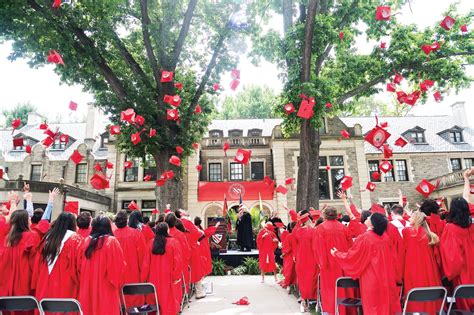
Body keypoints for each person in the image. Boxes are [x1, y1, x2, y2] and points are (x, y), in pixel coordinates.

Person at [332, 213, 401, 314]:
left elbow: (353, 257)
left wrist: (337, 254)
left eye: (369, 218)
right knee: (386, 305)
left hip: (372, 278)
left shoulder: (365, 238)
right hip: (386, 277)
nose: (367, 218)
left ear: (372, 224)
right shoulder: (385, 238)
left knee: (373, 307)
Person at [0, 191, 41, 306]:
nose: (30, 220)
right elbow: (35, 261)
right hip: (24, 280)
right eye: (28, 218)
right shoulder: (31, 236)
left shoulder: (7, 238)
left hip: (7, 281)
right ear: (24, 221)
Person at [78, 215, 126, 315]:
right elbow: (118, 269)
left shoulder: (87, 241)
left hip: (88, 288)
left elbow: (79, 267)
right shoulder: (111, 242)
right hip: (105, 289)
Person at [32, 212, 83, 303]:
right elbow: (80, 265)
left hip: (45, 280)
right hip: (66, 282)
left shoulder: (47, 238)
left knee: (46, 307)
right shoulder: (76, 240)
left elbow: (37, 264)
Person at [313, 206, 353, 315]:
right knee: (344, 287)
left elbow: (318, 248)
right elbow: (350, 247)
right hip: (343, 262)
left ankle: (332, 310)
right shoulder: (343, 228)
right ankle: (346, 310)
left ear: (325, 215)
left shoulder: (320, 228)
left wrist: (321, 263)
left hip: (328, 264)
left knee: (330, 289)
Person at [401, 211, 441, 313]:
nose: (409, 218)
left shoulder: (406, 232)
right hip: (428, 268)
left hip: (412, 266)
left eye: (411, 216)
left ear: (416, 219)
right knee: (428, 288)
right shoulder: (429, 234)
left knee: (414, 289)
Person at [440, 197, 474, 311]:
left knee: (465, 306)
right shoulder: (472, 227)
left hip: (462, 272)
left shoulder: (450, 228)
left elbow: (452, 257)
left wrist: (449, 275)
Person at [141, 222, 182, 315]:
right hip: (168, 279)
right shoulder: (174, 242)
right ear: (167, 230)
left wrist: (143, 279)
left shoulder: (150, 243)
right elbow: (178, 262)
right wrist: (176, 277)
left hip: (152, 280)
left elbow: (146, 264)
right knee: (168, 306)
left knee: (154, 305)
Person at [113, 211, 147, 306]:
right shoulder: (136, 234)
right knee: (134, 301)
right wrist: (143, 274)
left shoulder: (112, 236)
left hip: (117, 273)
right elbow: (143, 256)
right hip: (133, 273)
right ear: (126, 221)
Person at [293, 210, 318, 312]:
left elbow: (295, 245)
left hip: (301, 259)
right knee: (313, 279)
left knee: (303, 280)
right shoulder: (314, 231)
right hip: (312, 258)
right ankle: (316, 301)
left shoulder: (297, 232)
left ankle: (303, 302)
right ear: (308, 221)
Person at [165, 212, 190, 307]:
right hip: (180, 263)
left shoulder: (162, 234)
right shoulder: (180, 234)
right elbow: (187, 250)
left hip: (166, 265)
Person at [281, 222, 297, 290]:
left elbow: (286, 248)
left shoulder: (289, 236)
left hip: (290, 256)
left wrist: (283, 254)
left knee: (289, 271)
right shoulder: (298, 235)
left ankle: (289, 285)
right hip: (297, 255)